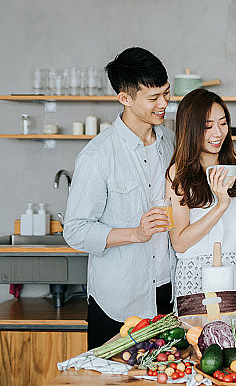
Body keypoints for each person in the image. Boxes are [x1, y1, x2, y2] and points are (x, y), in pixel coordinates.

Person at [64, 47, 174, 348]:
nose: (164, 103)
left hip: (169, 293)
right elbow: (74, 230)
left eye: (166, 93)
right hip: (119, 302)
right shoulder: (97, 156)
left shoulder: (170, 143)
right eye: (153, 98)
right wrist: (136, 233)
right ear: (124, 98)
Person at [166, 89, 236, 311]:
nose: (218, 133)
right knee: (199, 342)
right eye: (207, 126)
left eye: (222, 123)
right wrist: (221, 205)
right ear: (191, 129)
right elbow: (180, 241)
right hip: (196, 274)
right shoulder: (178, 174)